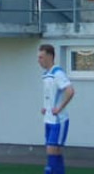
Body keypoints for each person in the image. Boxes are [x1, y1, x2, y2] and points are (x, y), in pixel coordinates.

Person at [39, 44, 74, 174]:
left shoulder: (58, 73)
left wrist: (59, 108)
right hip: (48, 119)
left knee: (52, 150)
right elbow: (51, 96)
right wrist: (46, 108)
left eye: (41, 57)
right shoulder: (46, 75)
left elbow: (70, 91)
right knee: (55, 151)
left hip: (59, 120)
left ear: (50, 56)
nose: (39, 60)